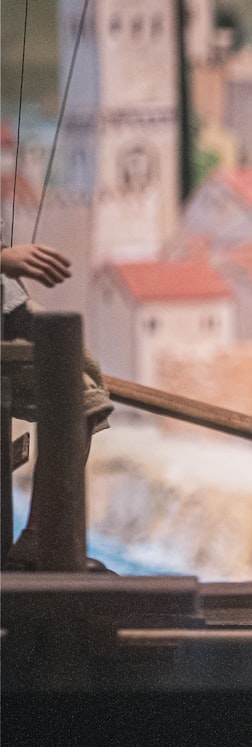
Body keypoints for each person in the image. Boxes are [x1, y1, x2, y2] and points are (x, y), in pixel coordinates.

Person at [2, 242, 114, 570]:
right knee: (76, 390)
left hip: (9, 308)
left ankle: (40, 536)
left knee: (79, 389)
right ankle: (40, 538)